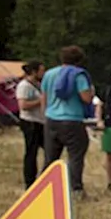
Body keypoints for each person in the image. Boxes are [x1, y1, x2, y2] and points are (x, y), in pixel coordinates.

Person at [42, 45, 95, 195]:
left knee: (50, 158)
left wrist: (45, 115)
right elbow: (85, 98)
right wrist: (91, 92)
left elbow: (43, 97)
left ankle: (45, 189)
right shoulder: (79, 75)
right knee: (76, 156)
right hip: (72, 119)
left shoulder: (49, 74)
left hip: (52, 118)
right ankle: (75, 189)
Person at [15, 61, 47, 188]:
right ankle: (30, 181)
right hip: (30, 122)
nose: (43, 73)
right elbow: (23, 106)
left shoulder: (38, 85)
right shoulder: (24, 86)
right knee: (31, 152)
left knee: (49, 150)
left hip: (40, 121)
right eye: (41, 71)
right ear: (34, 72)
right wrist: (40, 101)